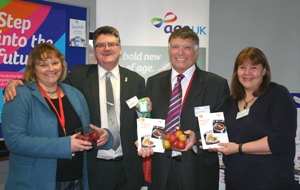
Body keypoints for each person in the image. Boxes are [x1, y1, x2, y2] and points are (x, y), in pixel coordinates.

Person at [4, 26, 150, 190]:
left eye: (112, 44)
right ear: (94, 51)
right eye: (100, 45)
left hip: (128, 167)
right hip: (94, 168)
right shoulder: (78, 76)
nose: (107, 49)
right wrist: (15, 83)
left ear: (120, 49)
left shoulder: (136, 80)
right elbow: (44, 84)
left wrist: (107, 136)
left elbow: (144, 117)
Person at [1, 43, 113, 190]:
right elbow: (15, 142)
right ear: (33, 69)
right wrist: (66, 145)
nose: (51, 69)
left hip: (75, 182)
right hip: (35, 184)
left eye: (55, 63)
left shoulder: (75, 94)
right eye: (43, 64)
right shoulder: (19, 95)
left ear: (62, 65)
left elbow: (86, 132)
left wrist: (103, 136)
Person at [138, 27, 230, 190]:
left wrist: (195, 138)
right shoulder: (153, 82)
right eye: (175, 47)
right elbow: (149, 119)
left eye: (187, 47)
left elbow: (219, 130)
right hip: (162, 171)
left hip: (198, 173)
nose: (180, 52)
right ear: (169, 51)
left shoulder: (216, 84)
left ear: (196, 53)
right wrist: (143, 126)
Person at [211, 47, 297, 190]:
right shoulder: (231, 102)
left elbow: (281, 141)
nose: (247, 73)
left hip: (271, 184)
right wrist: (207, 140)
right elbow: (223, 135)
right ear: (236, 72)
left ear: (264, 71)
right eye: (242, 67)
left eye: (254, 68)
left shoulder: (278, 95)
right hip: (235, 183)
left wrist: (238, 148)